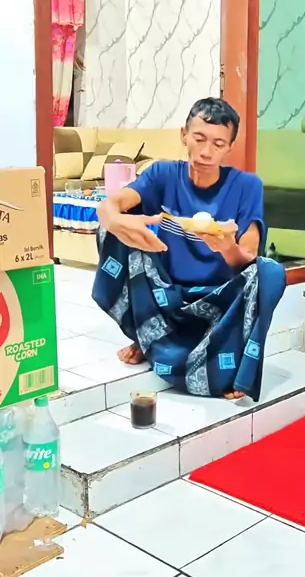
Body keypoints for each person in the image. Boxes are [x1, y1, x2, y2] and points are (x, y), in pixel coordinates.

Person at [92, 97, 286, 401]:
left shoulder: (247, 186)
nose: (207, 152)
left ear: (230, 147)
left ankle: (233, 368)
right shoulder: (162, 174)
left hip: (219, 302)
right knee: (113, 229)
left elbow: (247, 260)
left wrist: (227, 248)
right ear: (184, 135)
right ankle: (147, 335)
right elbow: (112, 204)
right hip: (167, 296)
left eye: (218, 144)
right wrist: (113, 218)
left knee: (271, 274)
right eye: (199, 138)